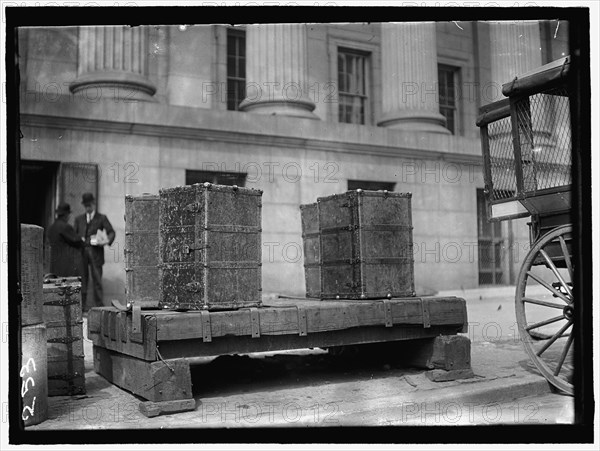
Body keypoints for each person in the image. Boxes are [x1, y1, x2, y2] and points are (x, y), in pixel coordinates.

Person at [74, 193, 116, 311]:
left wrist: (106, 241)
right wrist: (79, 239)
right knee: (82, 280)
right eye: (86, 205)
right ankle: (81, 308)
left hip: (96, 253)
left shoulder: (101, 218)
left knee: (97, 280)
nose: (88, 208)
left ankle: (99, 308)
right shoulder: (79, 219)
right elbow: (73, 235)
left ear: (94, 204)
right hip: (82, 253)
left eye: (90, 205)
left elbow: (111, 232)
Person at [47, 202, 84, 277]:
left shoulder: (51, 227)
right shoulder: (65, 227)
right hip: (66, 264)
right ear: (66, 215)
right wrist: (83, 240)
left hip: (55, 263)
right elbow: (77, 241)